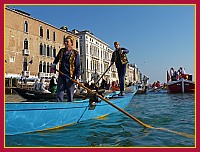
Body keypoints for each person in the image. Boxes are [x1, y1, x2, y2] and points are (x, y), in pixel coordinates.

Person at [51, 35, 81, 102]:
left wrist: (77, 77)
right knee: (59, 92)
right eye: (65, 41)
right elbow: (56, 59)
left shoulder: (76, 53)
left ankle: (69, 107)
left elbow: (78, 66)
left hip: (70, 77)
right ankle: (59, 106)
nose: (65, 43)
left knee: (70, 94)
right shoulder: (61, 51)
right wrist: (54, 64)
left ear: (71, 43)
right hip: (61, 75)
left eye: (67, 42)